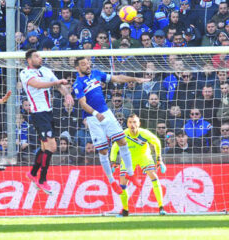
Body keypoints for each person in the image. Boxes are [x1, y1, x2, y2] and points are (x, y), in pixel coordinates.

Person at [73, 57, 145, 195]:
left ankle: (130, 173)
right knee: (103, 151)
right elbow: (82, 103)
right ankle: (112, 181)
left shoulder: (97, 73)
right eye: (84, 64)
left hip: (107, 113)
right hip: (93, 119)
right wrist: (95, 113)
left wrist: (134, 79)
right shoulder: (78, 84)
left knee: (122, 141)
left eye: (88, 63)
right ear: (77, 68)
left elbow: (117, 78)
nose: (87, 66)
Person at [20, 49, 74, 195]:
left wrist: (67, 94)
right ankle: (42, 179)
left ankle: (32, 173)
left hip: (48, 113)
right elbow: (37, 84)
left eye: (40, 56)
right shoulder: (25, 73)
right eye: (37, 56)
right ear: (29, 60)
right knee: (52, 147)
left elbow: (57, 86)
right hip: (38, 114)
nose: (40, 58)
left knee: (45, 148)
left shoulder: (46, 70)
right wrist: (57, 82)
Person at [110, 114, 166, 217]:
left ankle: (161, 207)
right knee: (122, 184)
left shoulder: (144, 133)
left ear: (139, 124)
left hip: (144, 156)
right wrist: (113, 161)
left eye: (134, 122)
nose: (132, 124)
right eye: (130, 122)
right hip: (128, 159)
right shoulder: (123, 134)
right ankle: (125, 210)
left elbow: (157, 142)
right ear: (127, 124)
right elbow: (114, 148)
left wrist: (159, 159)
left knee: (154, 176)